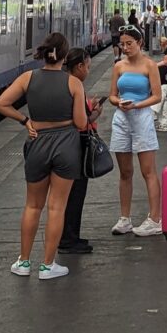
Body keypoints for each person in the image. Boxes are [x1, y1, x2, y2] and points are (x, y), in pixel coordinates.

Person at [0, 31, 89, 280]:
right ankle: (47, 266)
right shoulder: (73, 84)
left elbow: (1, 104)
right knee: (57, 207)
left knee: (32, 205)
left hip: (37, 142)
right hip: (66, 145)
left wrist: (25, 120)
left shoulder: (28, 78)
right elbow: (81, 122)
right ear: (65, 56)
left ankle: (23, 262)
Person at [108, 26, 164, 236]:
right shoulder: (118, 66)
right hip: (122, 118)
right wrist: (119, 102)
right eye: (122, 44)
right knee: (125, 172)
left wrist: (137, 105)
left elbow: (157, 96)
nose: (125, 48)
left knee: (148, 170)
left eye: (129, 43)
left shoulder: (150, 65)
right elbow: (112, 94)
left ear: (140, 43)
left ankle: (155, 218)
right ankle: (125, 218)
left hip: (141, 117)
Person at [59, 48, 101, 256]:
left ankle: (70, 236)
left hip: (64, 145)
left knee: (69, 196)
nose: (88, 71)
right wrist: (94, 115)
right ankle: (68, 240)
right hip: (75, 146)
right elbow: (81, 122)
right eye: (88, 66)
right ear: (79, 66)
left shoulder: (62, 82)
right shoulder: (75, 85)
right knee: (75, 194)